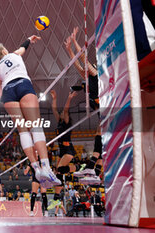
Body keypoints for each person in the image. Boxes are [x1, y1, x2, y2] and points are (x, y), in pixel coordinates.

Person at [0, 36, 61, 188]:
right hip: (22, 84)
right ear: (4, 51)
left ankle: (36, 169)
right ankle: (46, 168)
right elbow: (24, 47)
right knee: (35, 126)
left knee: (23, 131)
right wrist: (30, 39)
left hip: (8, 91)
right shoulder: (14, 54)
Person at [64, 28, 102, 185]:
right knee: (100, 136)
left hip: (102, 106)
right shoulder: (88, 76)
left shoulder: (96, 74)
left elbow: (84, 59)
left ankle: (93, 168)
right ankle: (94, 171)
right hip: (99, 107)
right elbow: (77, 64)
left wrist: (74, 42)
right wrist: (69, 50)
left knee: (100, 134)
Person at [48, 90, 80, 210]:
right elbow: (54, 110)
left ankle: (79, 167)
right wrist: (54, 98)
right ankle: (56, 199)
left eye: (63, 113)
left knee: (61, 169)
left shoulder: (66, 123)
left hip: (68, 149)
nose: (61, 113)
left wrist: (69, 98)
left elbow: (65, 109)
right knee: (59, 172)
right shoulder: (60, 122)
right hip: (62, 150)